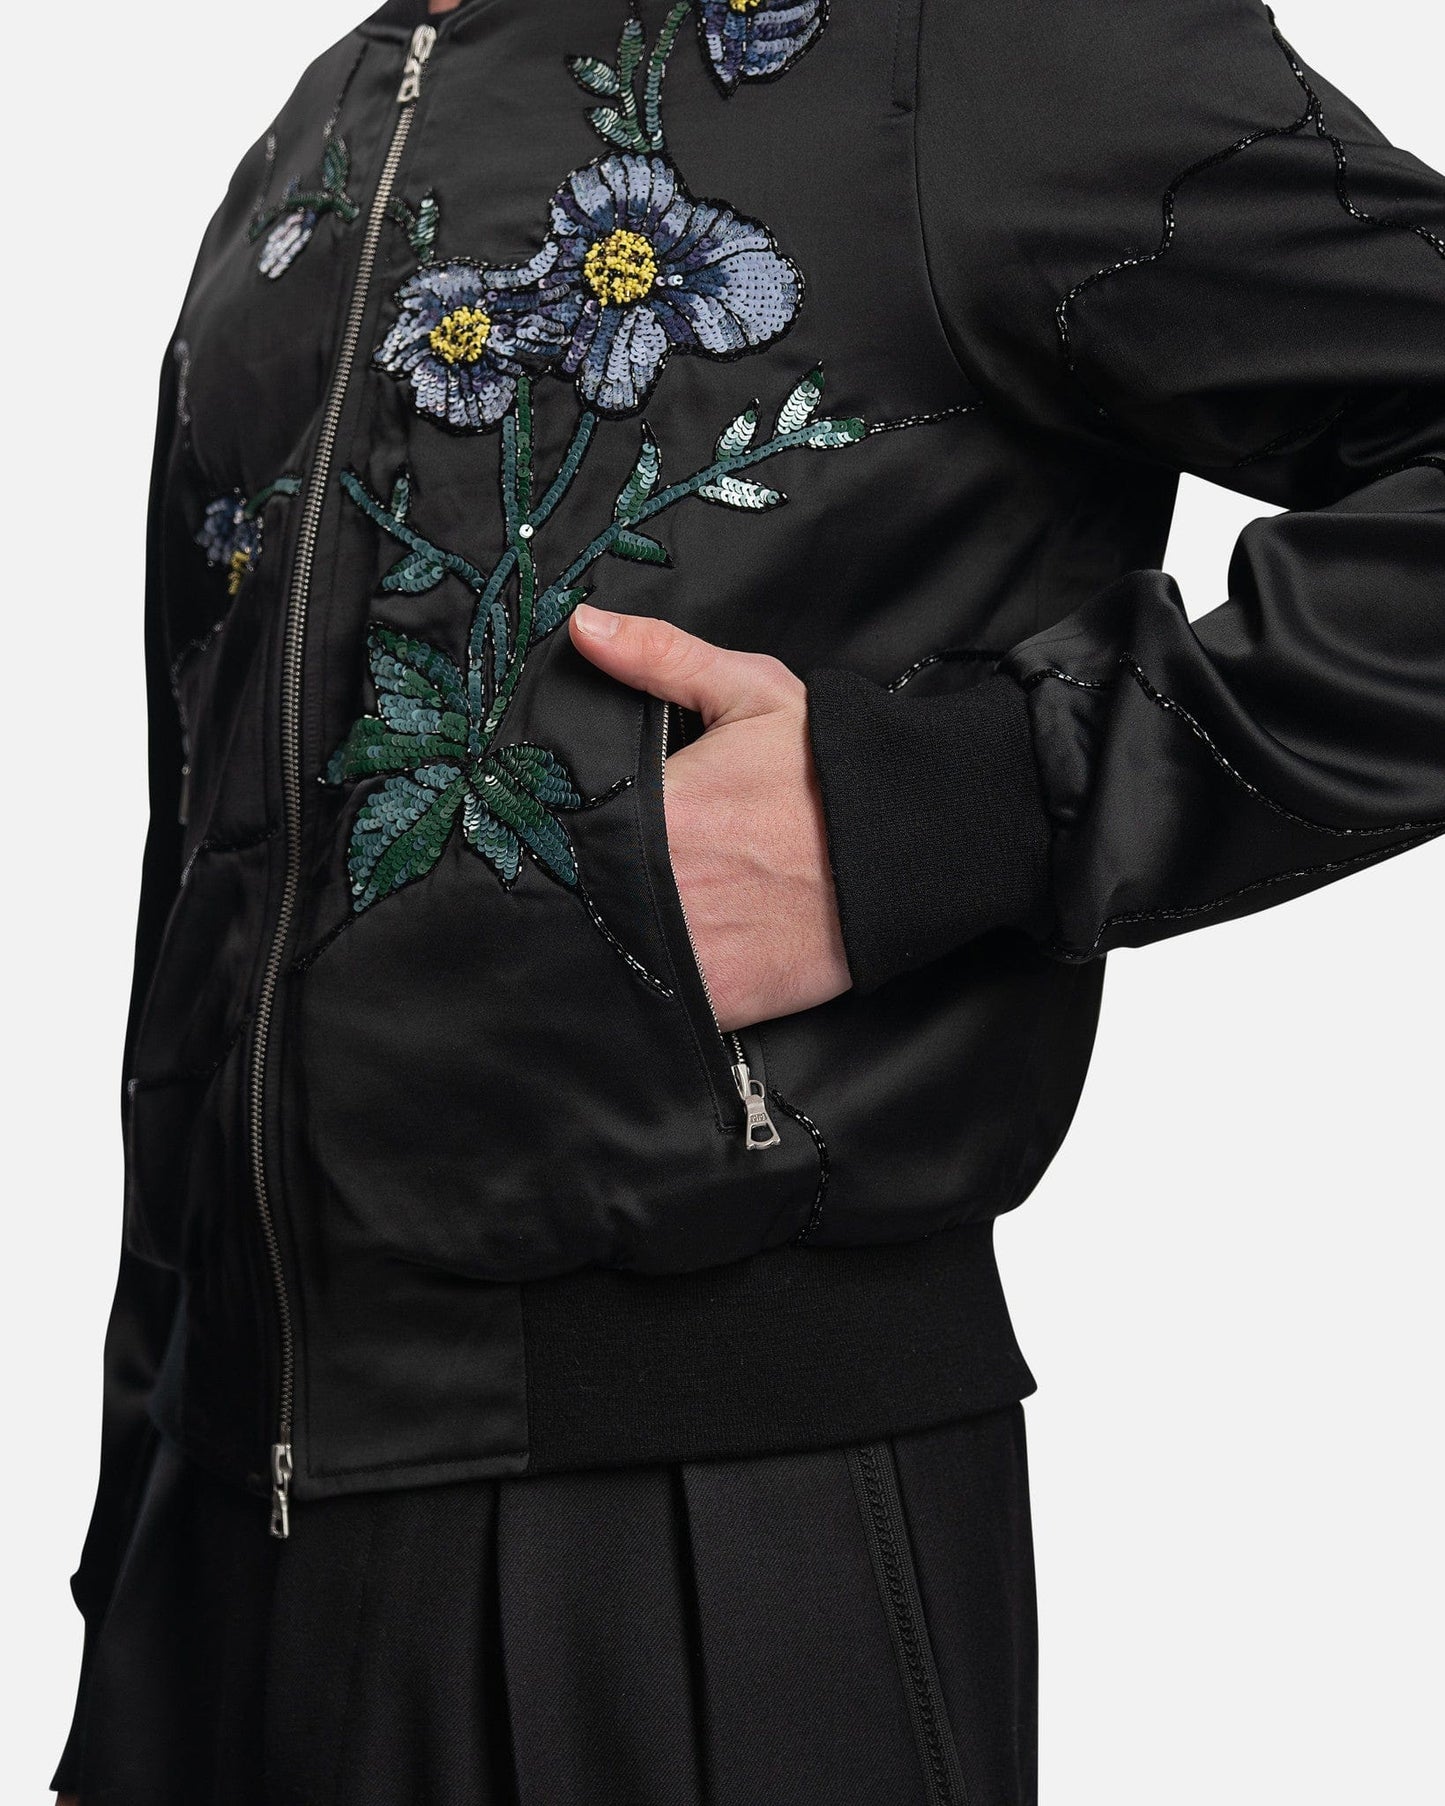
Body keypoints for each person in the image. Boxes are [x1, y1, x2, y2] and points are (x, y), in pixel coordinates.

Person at [54, 0, 1443, 1800]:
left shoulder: (981, 45)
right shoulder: (319, 125)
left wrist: (935, 807)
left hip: (702, 1553)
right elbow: (195, 871)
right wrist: (134, 1522)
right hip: (221, 1567)